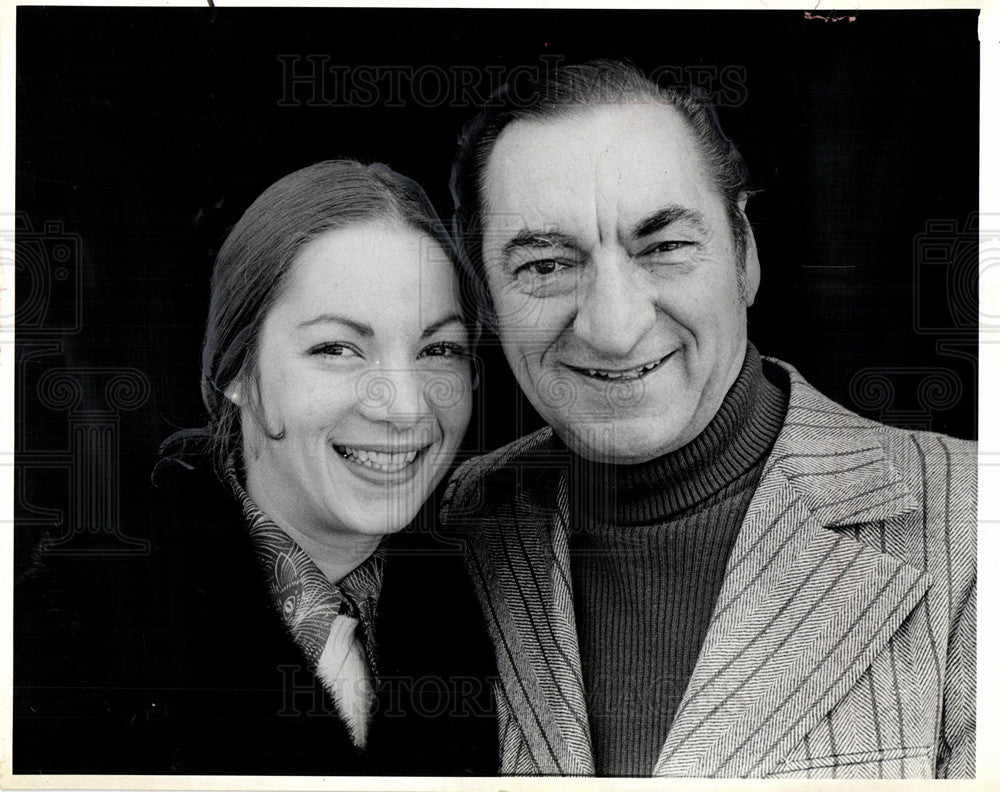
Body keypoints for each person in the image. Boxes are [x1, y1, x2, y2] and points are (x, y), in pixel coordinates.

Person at [442, 60, 976, 778]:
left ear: (745, 255)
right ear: (484, 297)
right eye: (544, 265)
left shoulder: (975, 522)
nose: (614, 327)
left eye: (662, 247)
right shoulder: (454, 524)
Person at [15, 160, 496, 775]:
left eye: (439, 350)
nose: (405, 406)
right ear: (238, 370)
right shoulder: (61, 638)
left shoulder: (491, 606)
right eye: (337, 348)